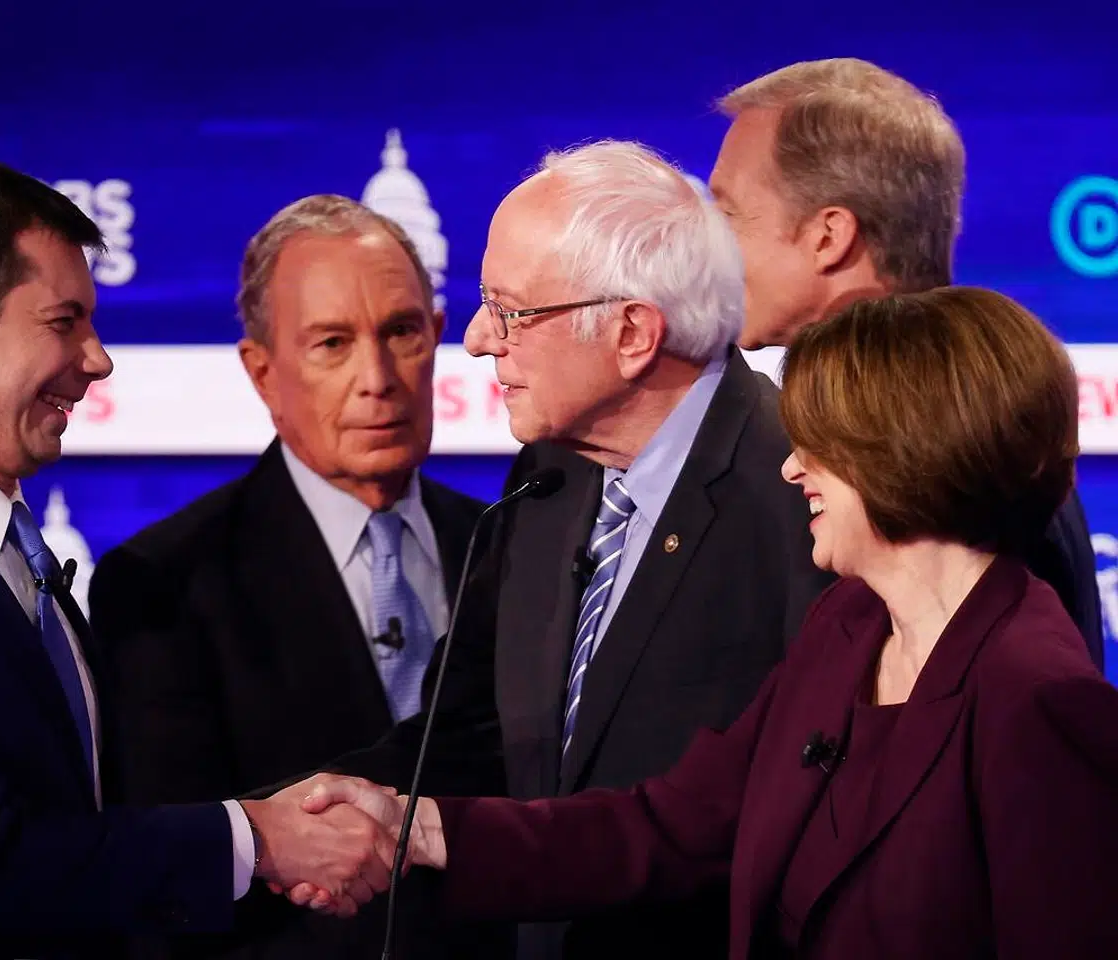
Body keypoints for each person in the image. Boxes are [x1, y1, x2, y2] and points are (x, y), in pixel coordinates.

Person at [314, 286, 1118, 959]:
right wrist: (419, 829)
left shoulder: (1038, 701)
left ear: (908, 450)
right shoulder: (848, 626)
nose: (793, 466)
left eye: (825, 444)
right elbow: (674, 826)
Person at [0, 153, 395, 960]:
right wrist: (255, 840)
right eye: (63, 321)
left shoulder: (6, 553)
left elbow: (86, 828)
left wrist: (272, 834)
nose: (98, 358)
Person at [304, 140, 834, 960]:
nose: (479, 340)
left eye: (510, 311)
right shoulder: (550, 477)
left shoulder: (806, 497)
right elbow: (475, 729)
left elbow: (789, 810)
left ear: (631, 333)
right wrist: (290, 819)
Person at [88, 194, 500, 960]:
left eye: (402, 333)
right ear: (263, 371)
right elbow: (172, 874)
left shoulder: (508, 546)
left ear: (439, 339)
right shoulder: (163, 583)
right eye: (332, 344)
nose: (377, 377)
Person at [708, 56, 1104, 667]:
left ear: (828, 235)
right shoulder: (903, 423)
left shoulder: (959, 440)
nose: (710, 248)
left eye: (729, 213)